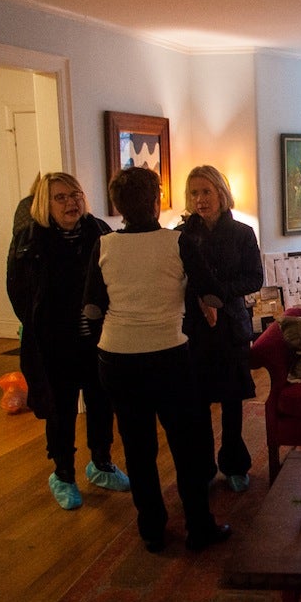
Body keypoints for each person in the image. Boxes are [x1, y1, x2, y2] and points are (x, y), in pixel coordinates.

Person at [84, 166, 232, 553]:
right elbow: (213, 293)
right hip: (168, 356)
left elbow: (93, 308)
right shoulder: (178, 242)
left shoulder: (103, 245)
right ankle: (199, 527)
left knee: (137, 447)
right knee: (186, 445)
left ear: (118, 207)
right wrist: (204, 303)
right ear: (155, 202)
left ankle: (151, 528)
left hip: (116, 359)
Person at [7, 172, 129, 510]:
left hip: (98, 341)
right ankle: (62, 473)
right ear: (45, 203)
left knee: (101, 404)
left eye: (75, 194)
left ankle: (101, 463)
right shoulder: (29, 241)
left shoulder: (99, 232)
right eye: (60, 197)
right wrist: (40, 327)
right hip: (53, 346)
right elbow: (18, 293)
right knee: (59, 411)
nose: (70, 202)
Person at [176, 165, 263, 492]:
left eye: (206, 192)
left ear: (221, 194)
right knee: (196, 402)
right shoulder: (181, 234)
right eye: (194, 193)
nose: (200, 199)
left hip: (230, 325)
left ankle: (235, 464)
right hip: (194, 328)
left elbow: (255, 278)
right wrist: (201, 300)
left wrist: (217, 296)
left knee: (230, 401)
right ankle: (202, 466)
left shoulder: (242, 233)